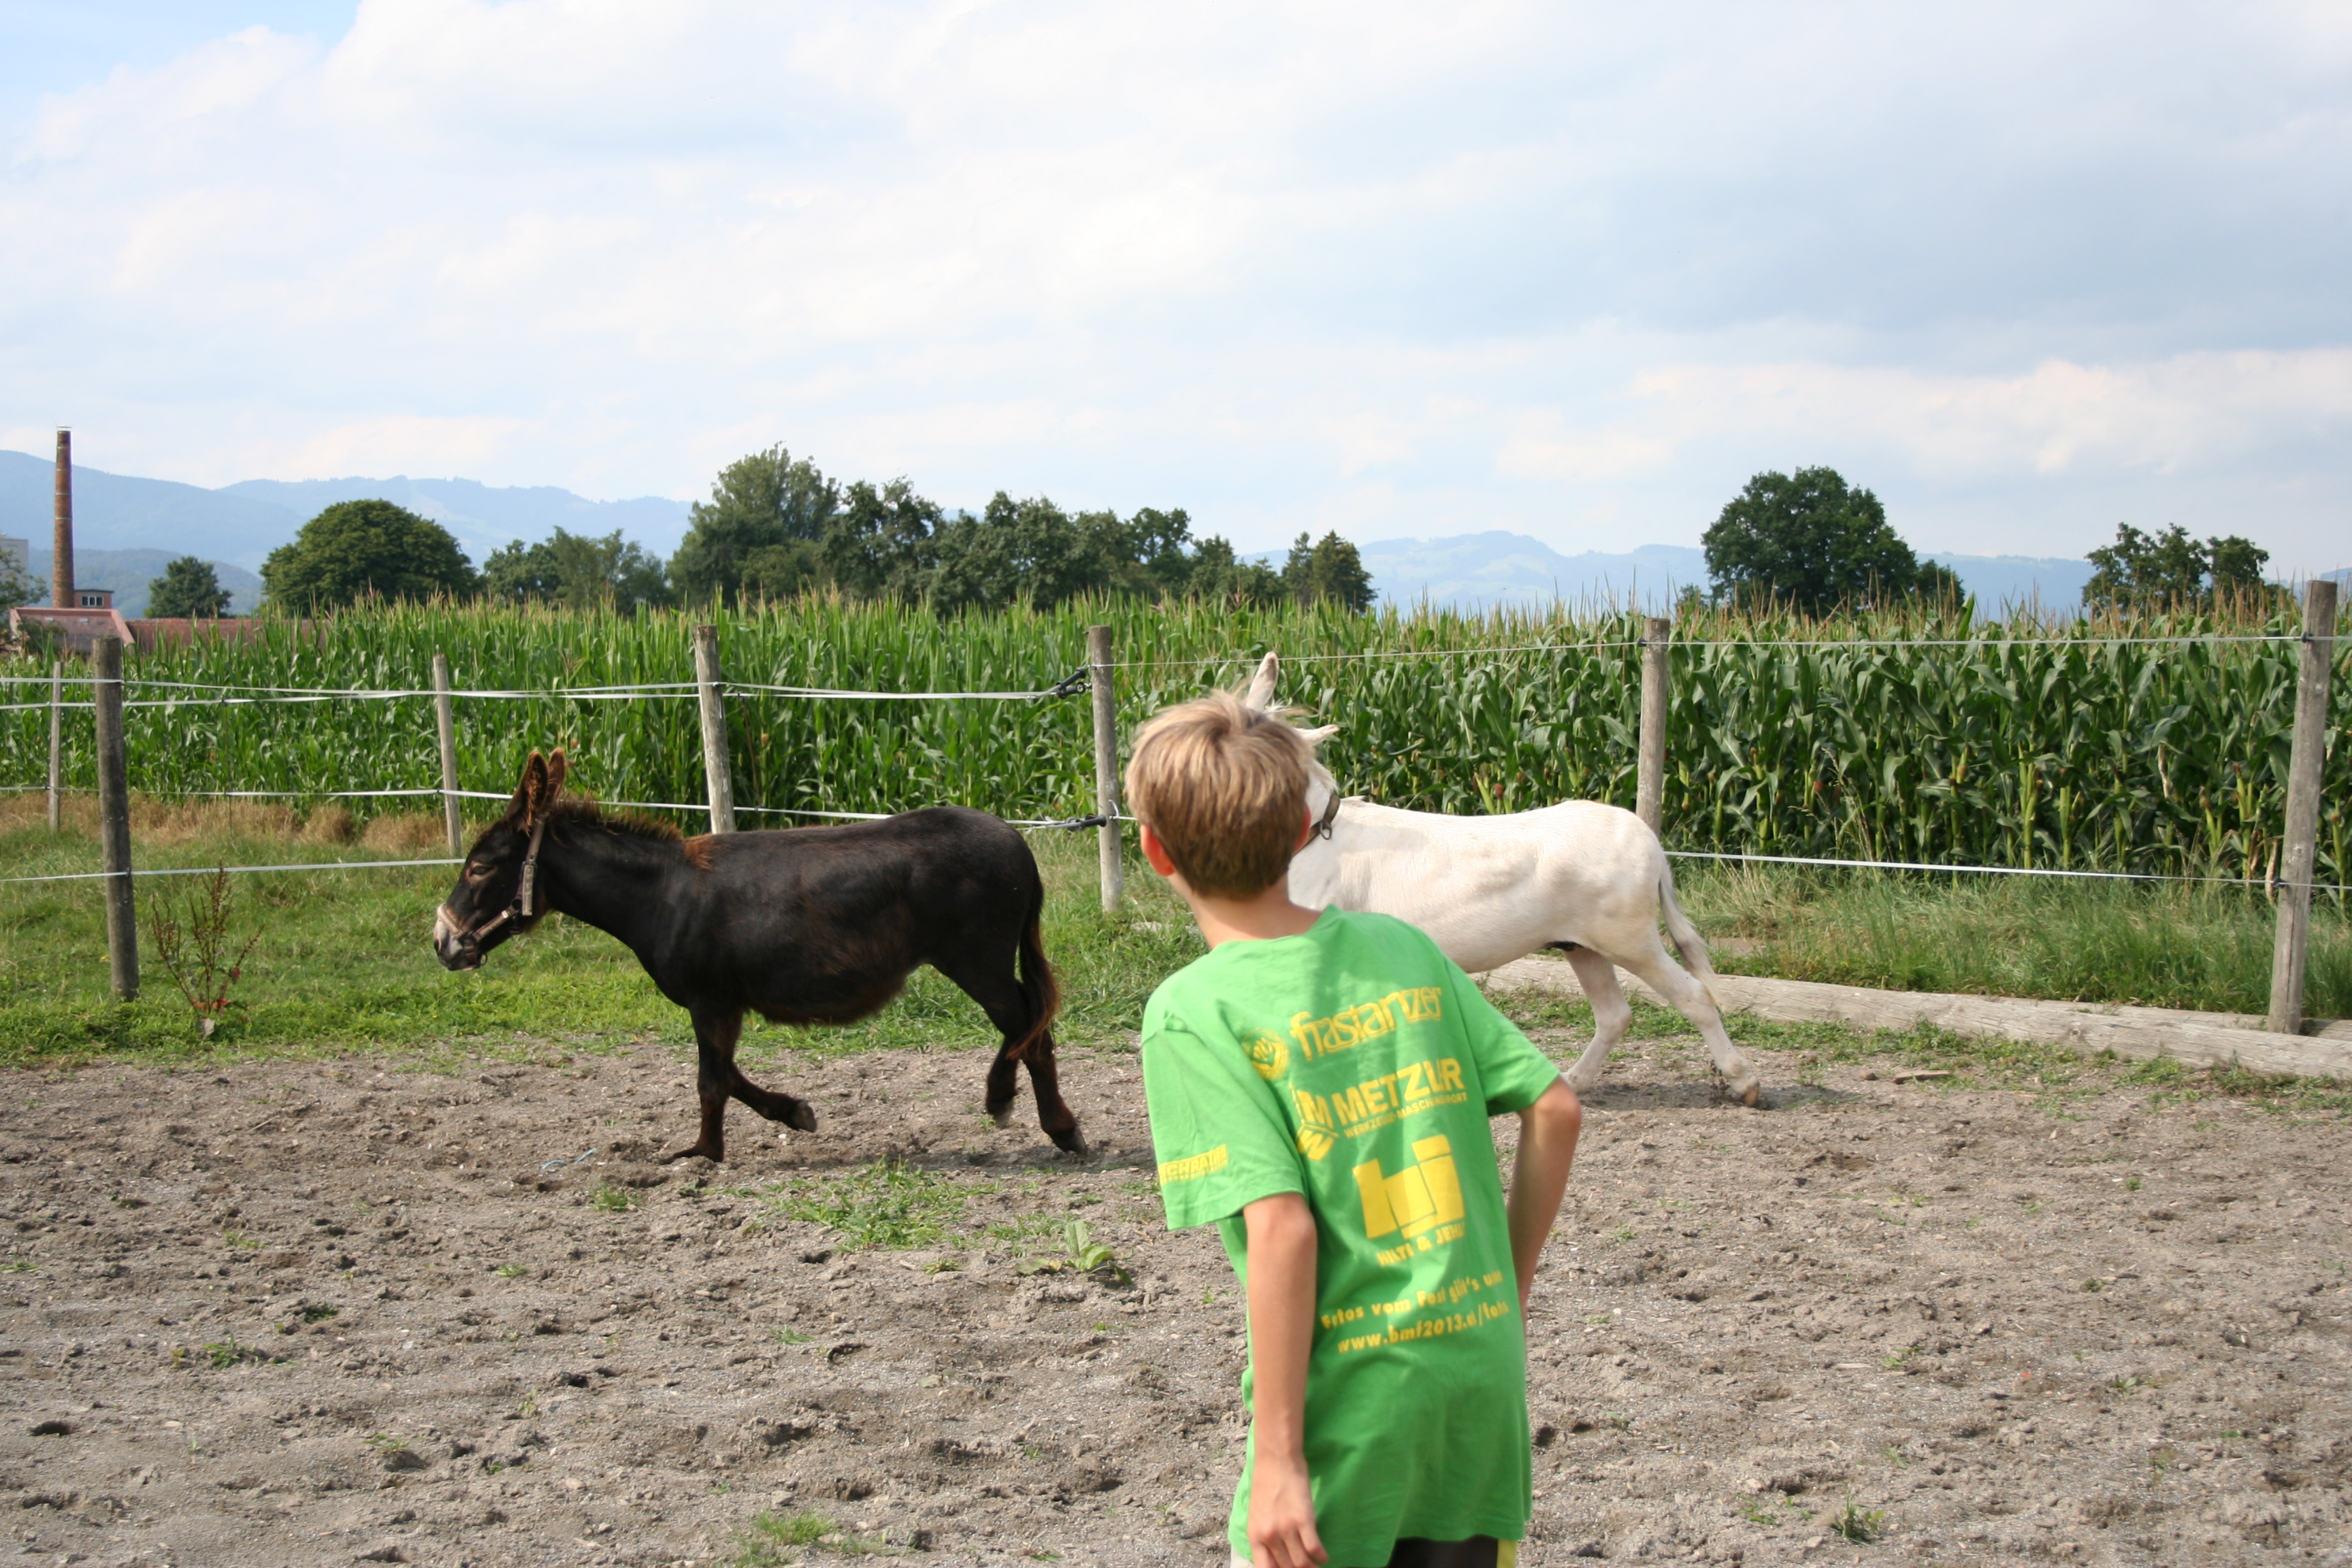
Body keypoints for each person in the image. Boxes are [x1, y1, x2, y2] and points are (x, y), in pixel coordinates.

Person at [1127, 689, 1584, 1568]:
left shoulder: (1193, 1012)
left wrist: (1277, 1458)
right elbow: (1556, 1109)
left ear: (1154, 851)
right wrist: (1508, 1293)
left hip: (1352, 1406)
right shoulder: (1404, 950)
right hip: (1479, 1378)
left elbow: (1283, 1229)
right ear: (1305, 830)